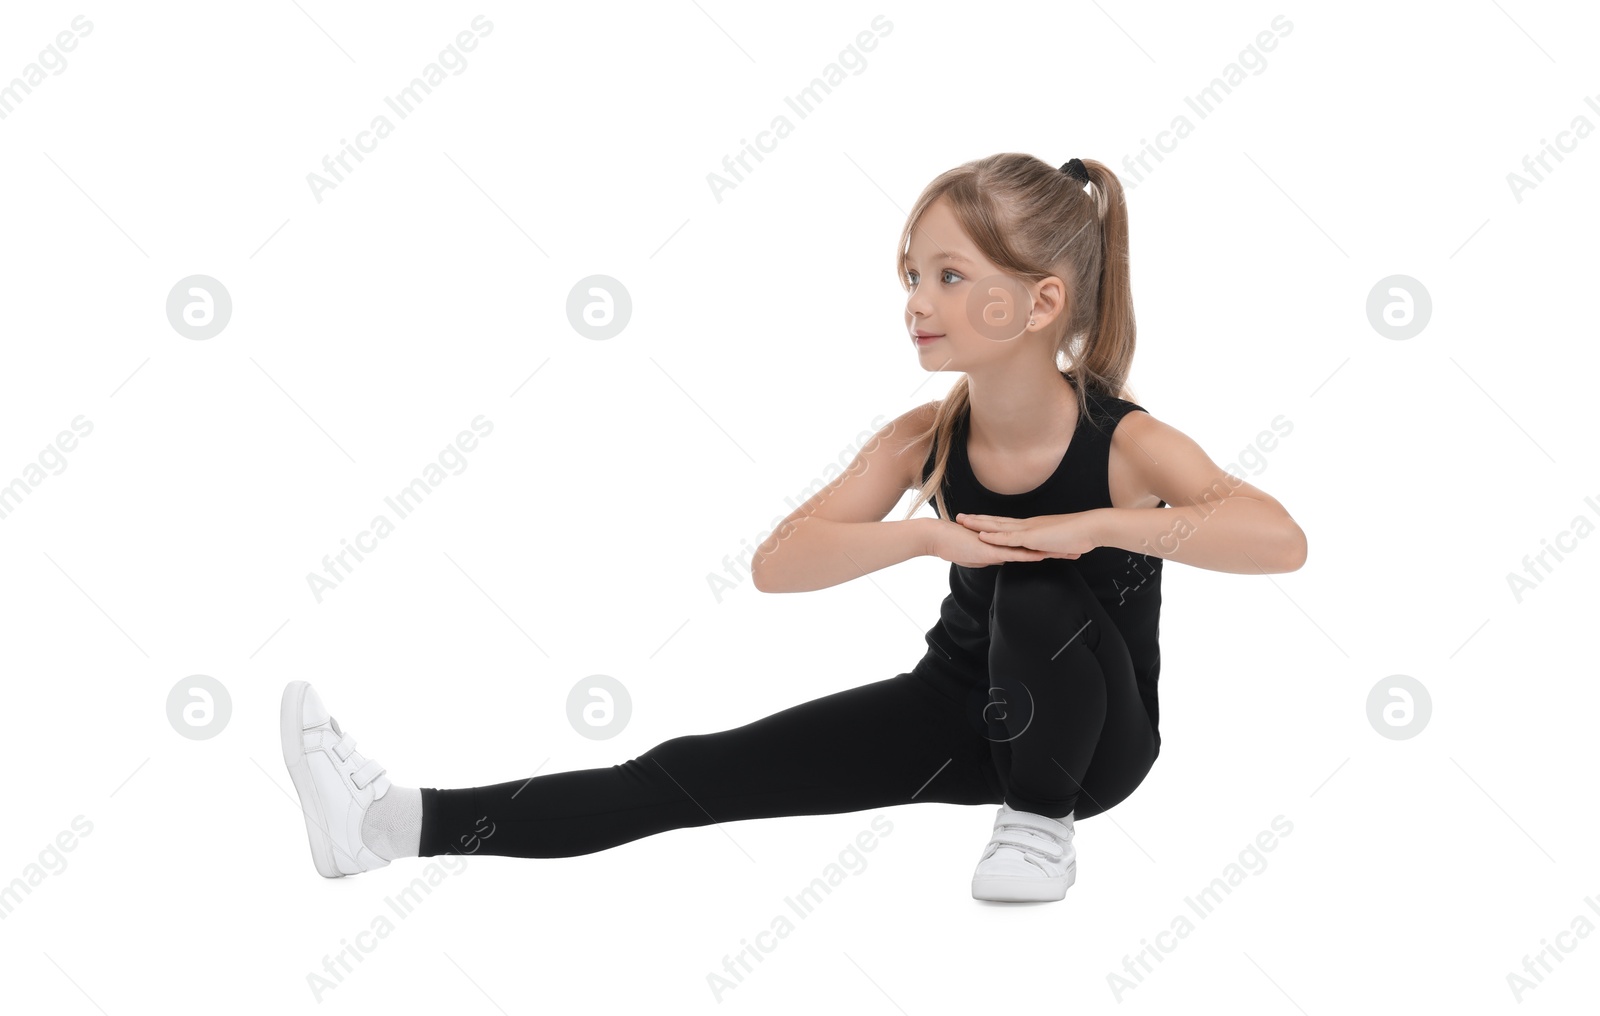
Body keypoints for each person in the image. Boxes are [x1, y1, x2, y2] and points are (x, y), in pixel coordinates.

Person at [280, 153, 1307, 903]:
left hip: (1094, 746)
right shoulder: (923, 436)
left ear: (1039, 301)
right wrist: (923, 537)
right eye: (910, 273)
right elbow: (780, 563)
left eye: (949, 275)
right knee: (684, 771)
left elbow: (1275, 537)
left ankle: (1037, 828)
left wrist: (1091, 526)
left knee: (1037, 585)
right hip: (954, 712)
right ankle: (389, 823)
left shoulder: (1124, 439)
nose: (916, 299)